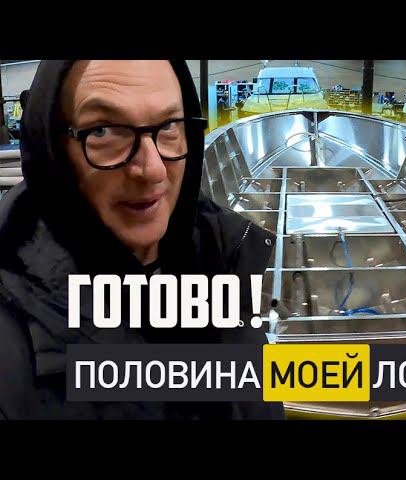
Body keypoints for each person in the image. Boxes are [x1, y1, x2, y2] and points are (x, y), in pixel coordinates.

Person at [0, 60, 284, 420]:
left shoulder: (220, 255)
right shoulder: (12, 347)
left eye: (169, 126)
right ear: (53, 149)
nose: (152, 169)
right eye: (103, 131)